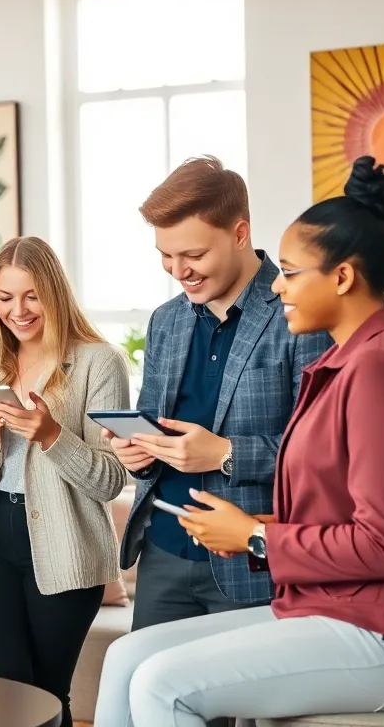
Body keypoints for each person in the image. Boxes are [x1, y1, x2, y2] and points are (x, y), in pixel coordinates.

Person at [95, 157, 384, 726]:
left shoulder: (377, 369)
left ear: (341, 278)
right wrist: (253, 525)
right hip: (334, 604)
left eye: (292, 272)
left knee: (159, 681)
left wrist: (253, 534)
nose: (276, 283)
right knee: (126, 656)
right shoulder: (352, 361)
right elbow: (336, 504)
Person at [110, 156, 331, 632]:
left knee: (247, 686)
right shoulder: (165, 321)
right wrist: (138, 454)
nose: (178, 270)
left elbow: (321, 453)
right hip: (164, 552)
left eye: (193, 255)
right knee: (142, 679)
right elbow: (154, 424)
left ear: (240, 233)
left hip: (252, 563)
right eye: (166, 255)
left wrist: (225, 455)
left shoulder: (299, 315)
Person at [0, 237, 128, 727]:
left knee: (46, 697)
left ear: (54, 293)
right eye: (5, 298)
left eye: (32, 296)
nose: (18, 311)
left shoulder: (98, 361)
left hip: (66, 546)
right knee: (1, 695)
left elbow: (112, 479)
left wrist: (51, 435)